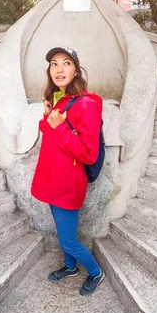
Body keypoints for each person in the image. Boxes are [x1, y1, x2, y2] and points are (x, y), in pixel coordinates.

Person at [31, 46, 105, 296]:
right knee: (64, 233)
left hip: (67, 183)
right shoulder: (59, 100)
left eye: (66, 63)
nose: (59, 69)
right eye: (54, 63)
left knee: (68, 240)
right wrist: (47, 117)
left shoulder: (87, 104)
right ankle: (71, 267)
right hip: (52, 178)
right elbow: (50, 132)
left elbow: (88, 153)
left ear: (76, 70)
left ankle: (95, 272)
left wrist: (59, 127)